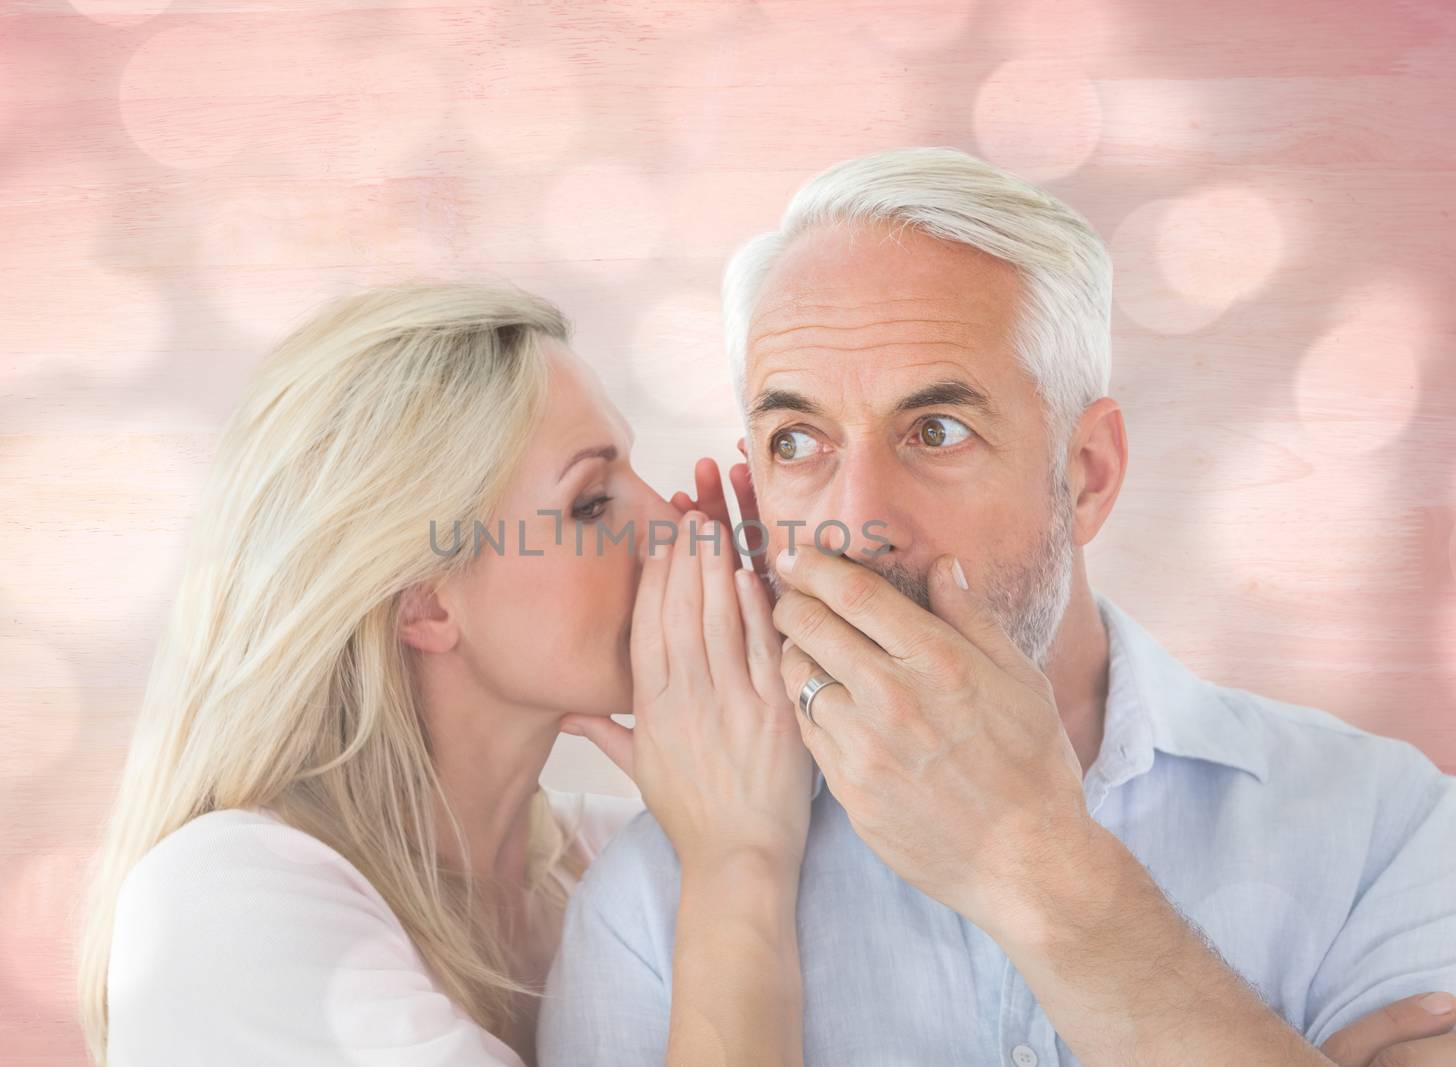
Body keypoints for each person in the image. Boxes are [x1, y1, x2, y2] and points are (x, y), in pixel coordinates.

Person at [539, 147, 1456, 1066]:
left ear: (1087, 475)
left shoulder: (1384, 825)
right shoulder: (654, 907)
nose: (856, 524)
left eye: (936, 431)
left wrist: (1035, 858)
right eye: (798, 439)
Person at [75, 282, 814, 1066]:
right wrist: (737, 868)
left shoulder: (629, 865)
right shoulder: (221, 901)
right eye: (592, 502)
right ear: (424, 601)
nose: (673, 526)